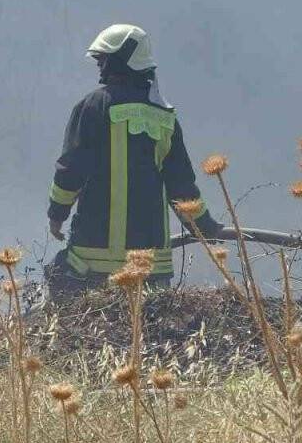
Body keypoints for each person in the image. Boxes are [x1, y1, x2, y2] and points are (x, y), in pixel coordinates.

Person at [46, 24, 223, 296]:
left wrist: (57, 214)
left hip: (92, 263)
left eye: (103, 60)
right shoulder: (164, 116)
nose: (99, 67)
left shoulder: (93, 106)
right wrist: (203, 226)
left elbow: (71, 170)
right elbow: (182, 186)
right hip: (151, 268)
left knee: (81, 331)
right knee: (147, 335)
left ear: (120, 60)